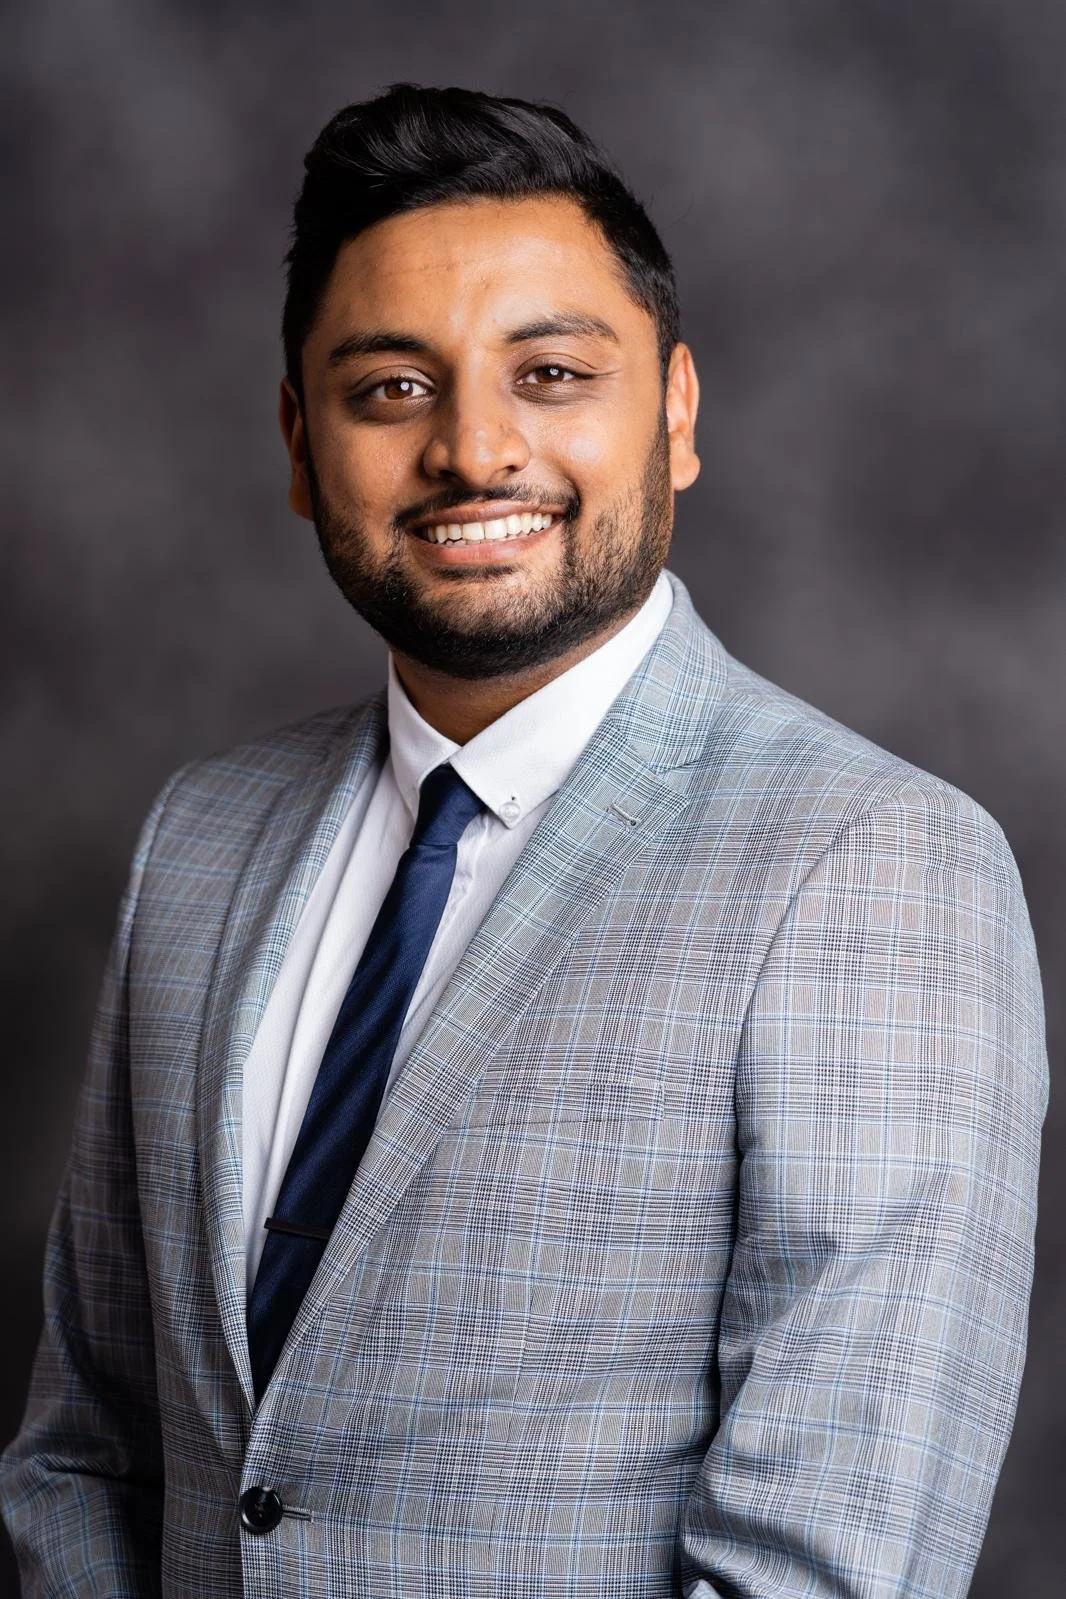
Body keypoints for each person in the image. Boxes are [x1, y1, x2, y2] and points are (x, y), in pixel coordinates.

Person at [0, 82, 1047, 1599]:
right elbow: (86, 1446)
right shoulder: (203, 838)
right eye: (389, 390)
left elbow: (826, 1566)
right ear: (301, 445)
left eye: (550, 372)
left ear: (676, 416)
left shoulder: (874, 867)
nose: (475, 450)